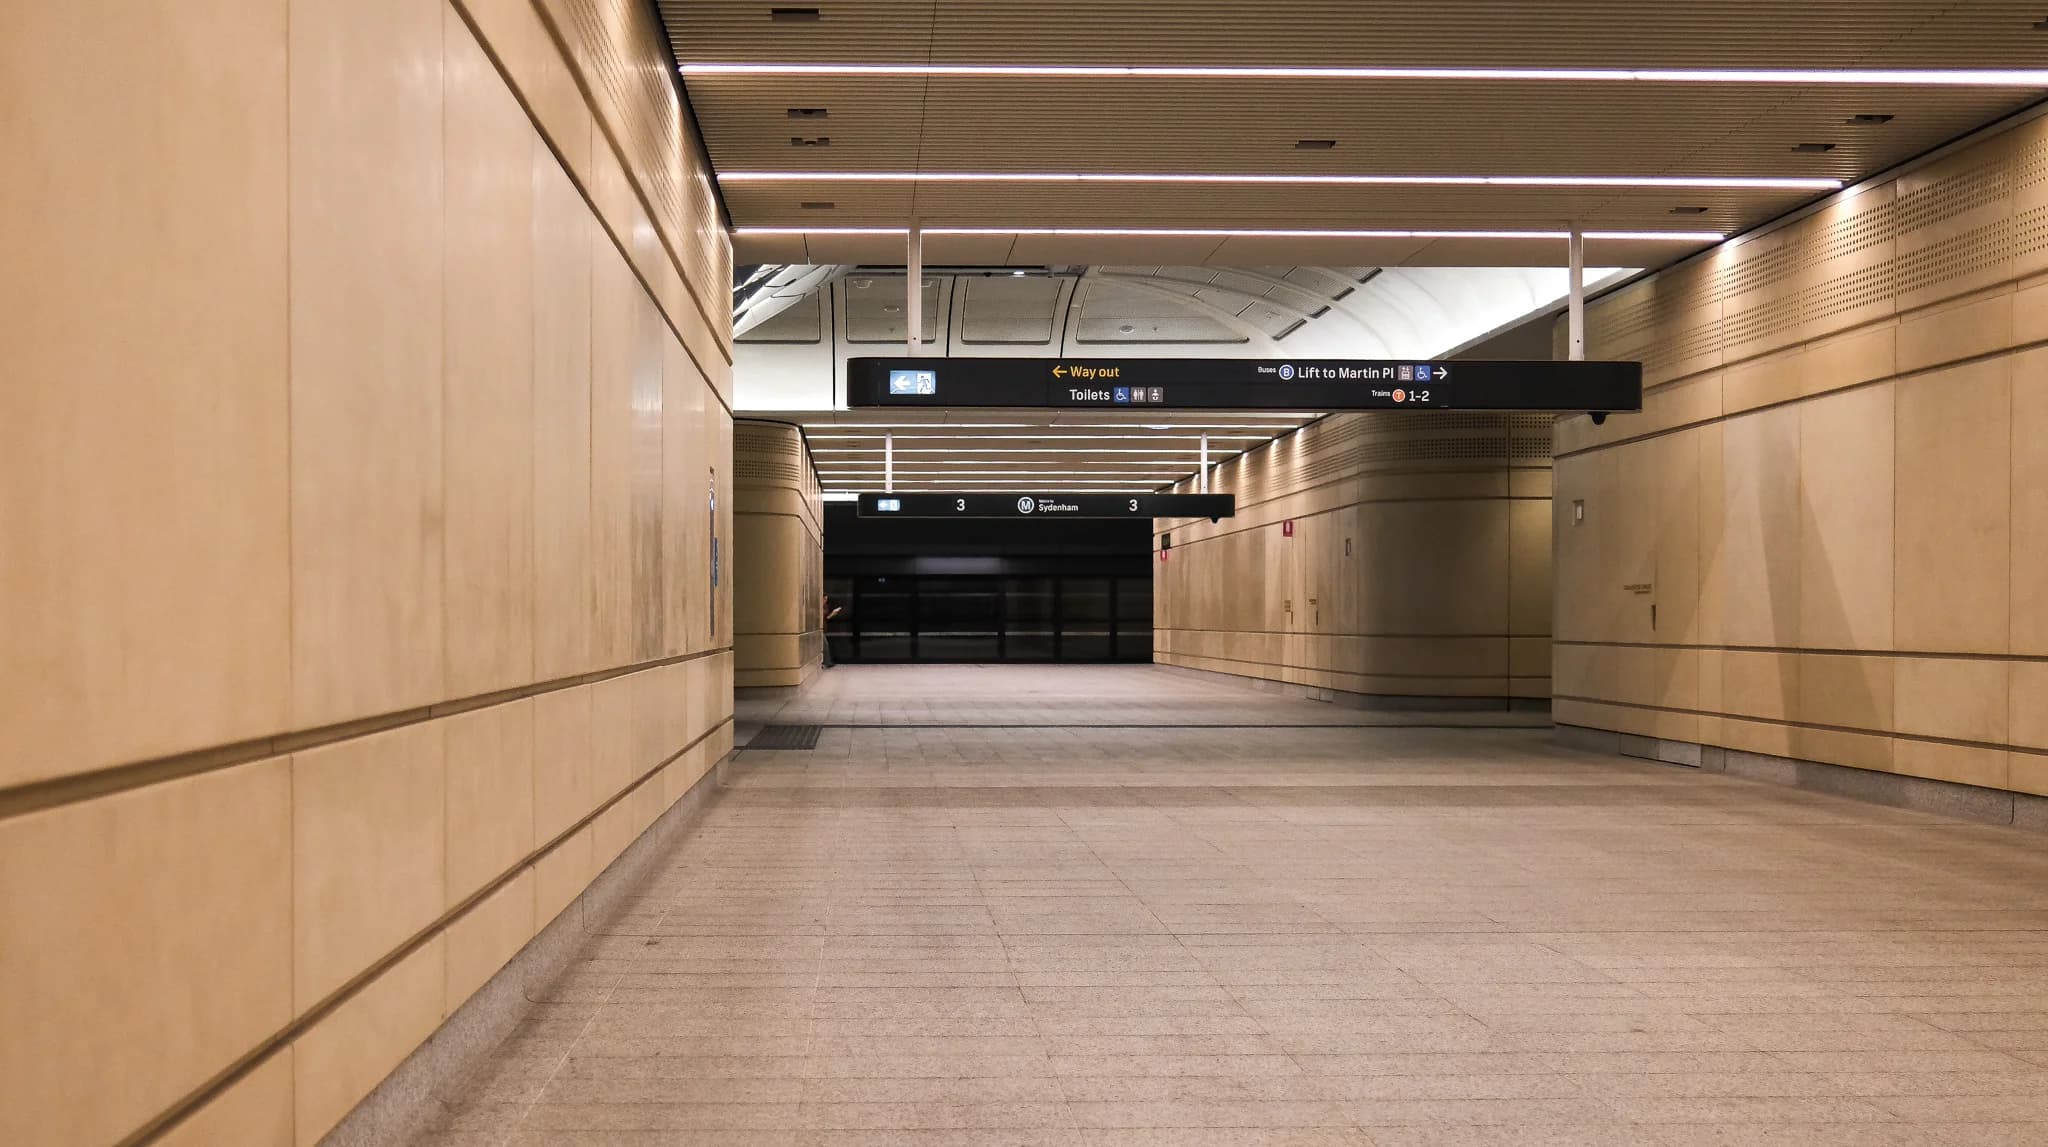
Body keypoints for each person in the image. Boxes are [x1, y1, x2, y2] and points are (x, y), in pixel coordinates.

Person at [822, 594, 842, 668]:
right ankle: (827, 662)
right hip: (820, 629)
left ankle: (827, 662)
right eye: (824, 599)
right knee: (825, 645)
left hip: (824, 628)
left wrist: (833, 614)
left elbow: (826, 618)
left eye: (826, 599)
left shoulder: (825, 606)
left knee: (825, 645)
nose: (825, 600)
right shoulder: (818, 607)